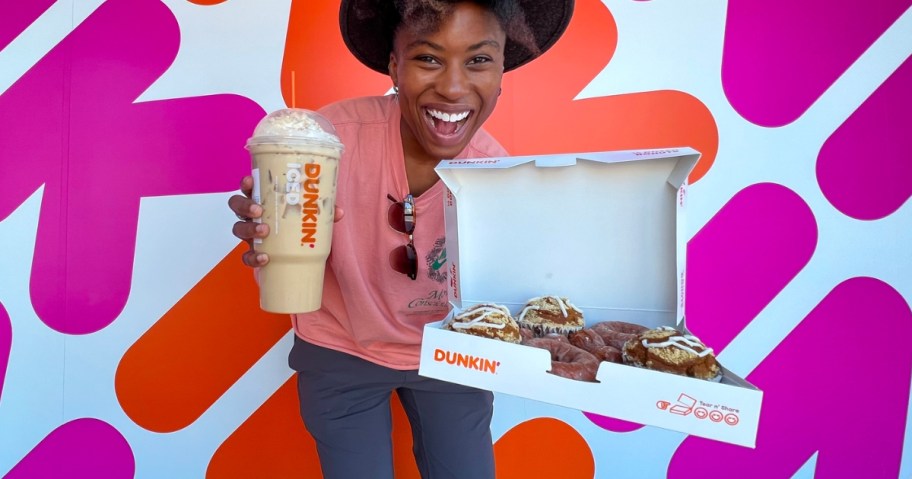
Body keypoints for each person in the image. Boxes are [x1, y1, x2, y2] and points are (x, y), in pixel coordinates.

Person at [229, 1, 573, 477]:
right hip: (340, 348)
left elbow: (507, 293)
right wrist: (270, 227)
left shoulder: (497, 175)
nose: (453, 87)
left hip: (451, 355)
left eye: (478, 60)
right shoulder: (326, 143)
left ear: (501, 72)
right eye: (428, 58)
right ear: (393, 65)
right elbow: (284, 225)